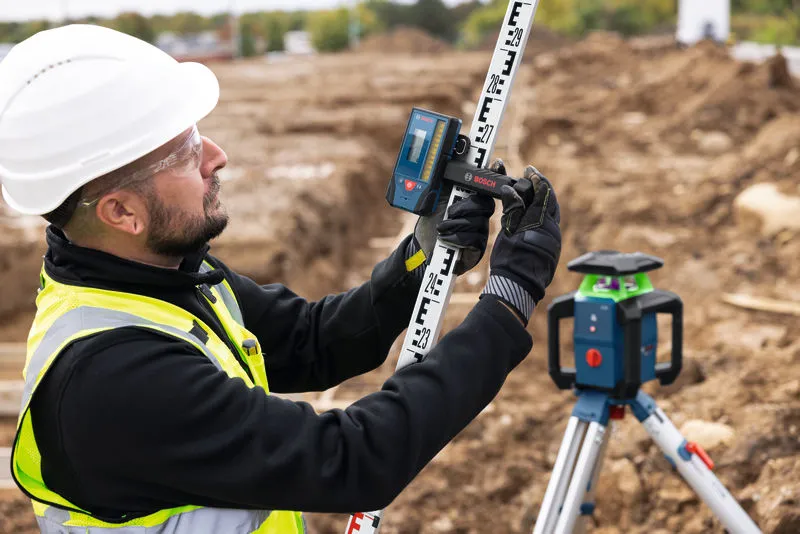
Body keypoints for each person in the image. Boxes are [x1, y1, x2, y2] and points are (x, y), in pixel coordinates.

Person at [0, 25, 561, 534]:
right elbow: (352, 460)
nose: (216, 157)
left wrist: (419, 255)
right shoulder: (115, 380)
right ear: (121, 213)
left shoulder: (159, 276)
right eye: (185, 154)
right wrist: (507, 300)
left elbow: (315, 342)